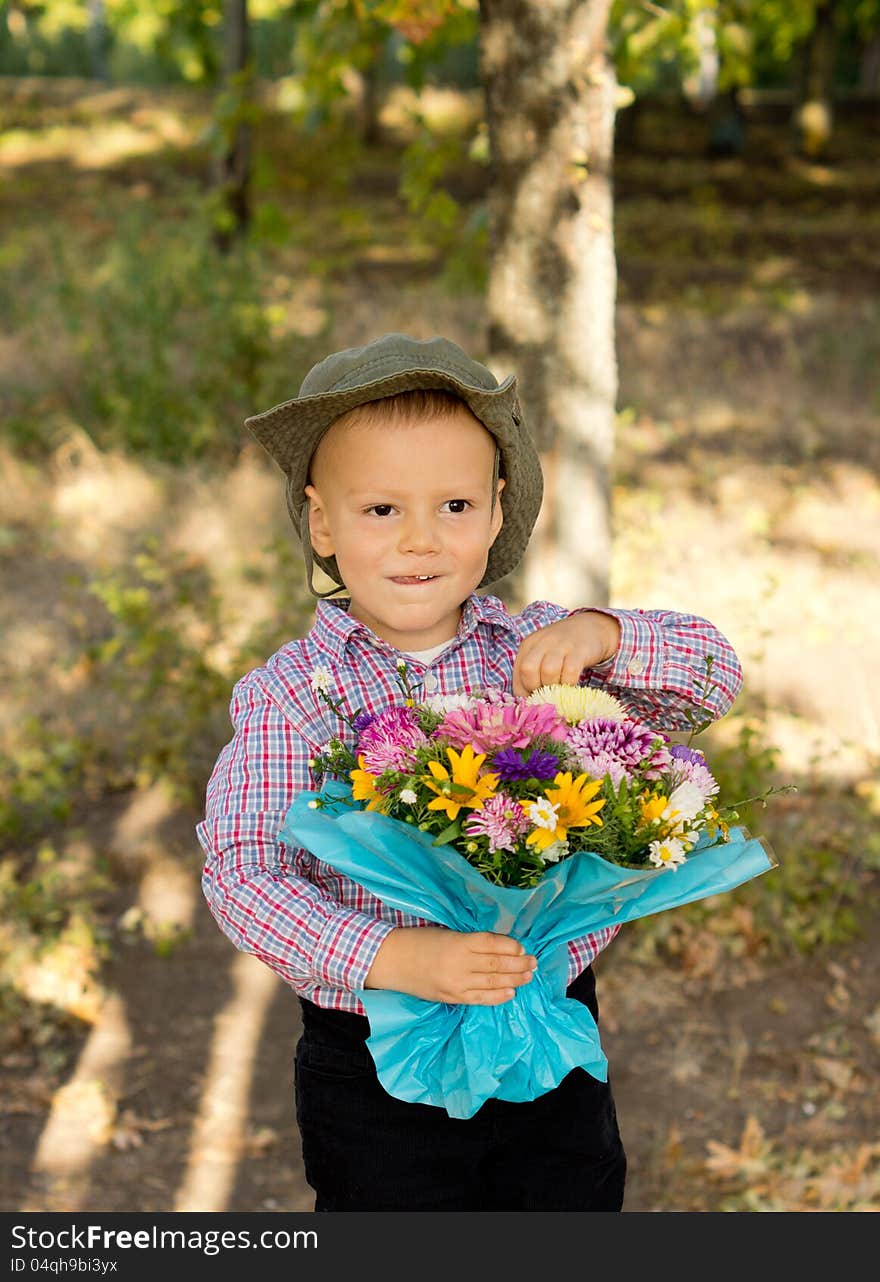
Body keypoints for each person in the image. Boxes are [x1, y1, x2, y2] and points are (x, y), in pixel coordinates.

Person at [197, 332, 744, 1212]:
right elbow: (245, 875)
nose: (420, 540)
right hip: (372, 1049)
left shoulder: (539, 652)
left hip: (549, 1019)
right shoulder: (294, 697)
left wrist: (603, 633)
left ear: (495, 513)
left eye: (453, 505)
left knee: (570, 1200)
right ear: (322, 522)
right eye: (381, 511)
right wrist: (389, 952)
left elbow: (712, 674)